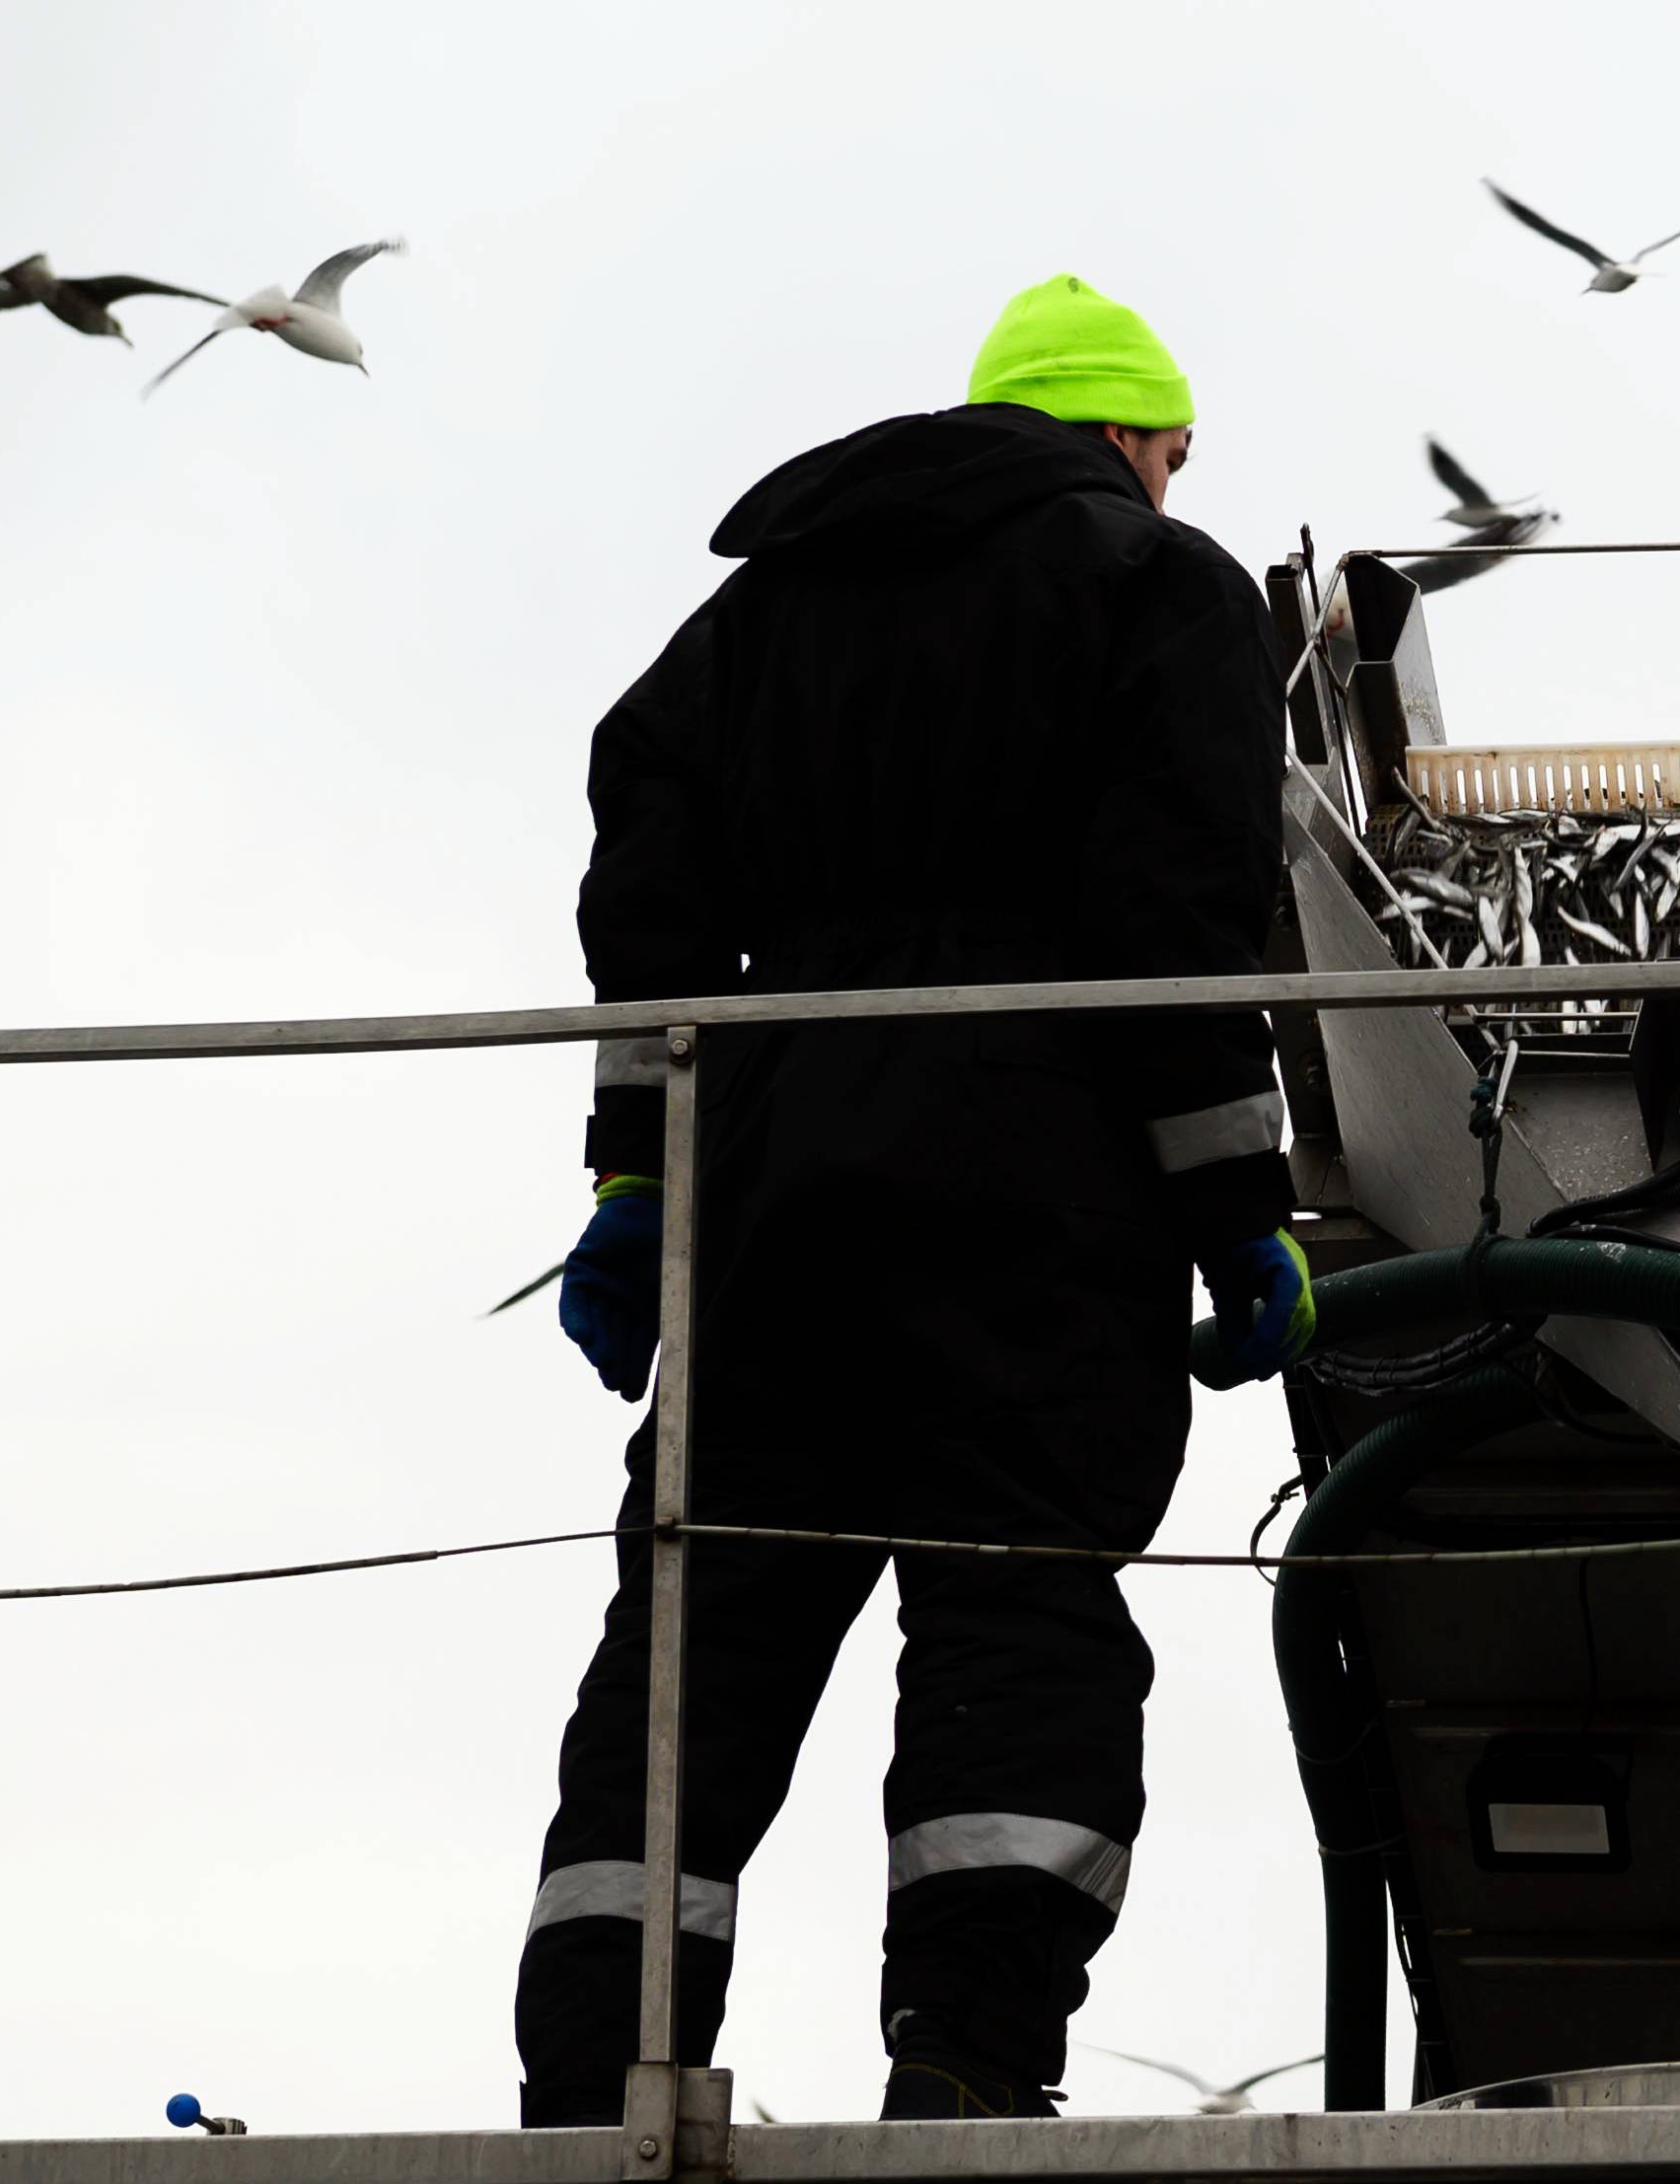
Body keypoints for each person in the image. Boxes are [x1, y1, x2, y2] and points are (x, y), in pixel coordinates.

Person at [510, 273, 1317, 2125]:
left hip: (774, 1187)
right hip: (1040, 1188)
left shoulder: (753, 615)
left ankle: (592, 2076)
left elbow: (646, 918)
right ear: (1124, 436)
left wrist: (641, 1177)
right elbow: (1170, 930)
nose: (1176, 491)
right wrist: (1237, 1207)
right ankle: (965, 2059)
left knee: (698, 1632)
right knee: (1015, 1611)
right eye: (1173, 455)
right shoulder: (1156, 588)